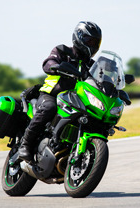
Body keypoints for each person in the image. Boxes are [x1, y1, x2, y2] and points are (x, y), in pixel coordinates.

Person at [18, 21, 102, 162]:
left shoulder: (92, 65)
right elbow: (47, 63)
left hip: (74, 100)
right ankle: (25, 145)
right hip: (51, 95)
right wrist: (56, 66)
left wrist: (114, 82)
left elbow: (100, 80)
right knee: (49, 108)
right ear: (79, 37)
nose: (92, 45)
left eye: (96, 42)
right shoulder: (63, 51)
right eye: (90, 41)